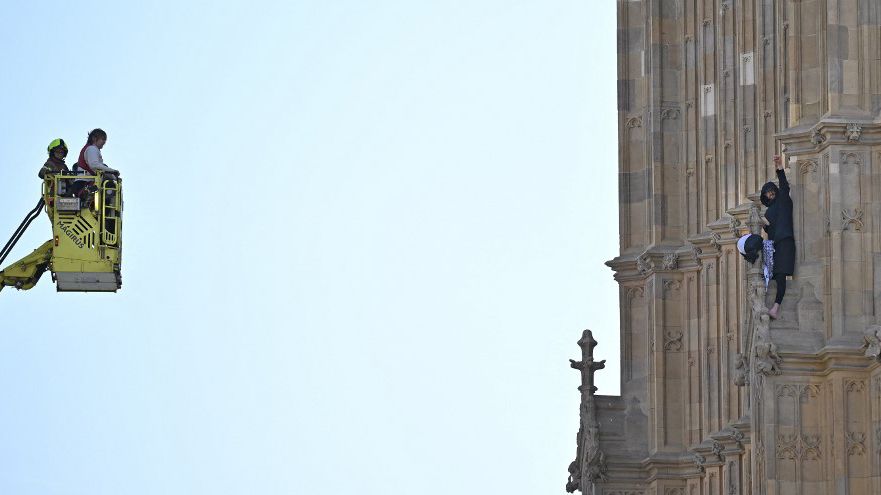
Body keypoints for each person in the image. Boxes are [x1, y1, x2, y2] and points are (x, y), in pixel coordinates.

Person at [760, 155, 795, 319]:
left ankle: (775, 307)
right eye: (767, 193)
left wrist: (779, 167)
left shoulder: (783, 199)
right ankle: (771, 307)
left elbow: (784, 185)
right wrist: (763, 225)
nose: (770, 193)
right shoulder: (767, 212)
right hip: (775, 245)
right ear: (765, 196)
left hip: (786, 241)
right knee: (775, 275)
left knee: (781, 274)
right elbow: (769, 231)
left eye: (771, 190)